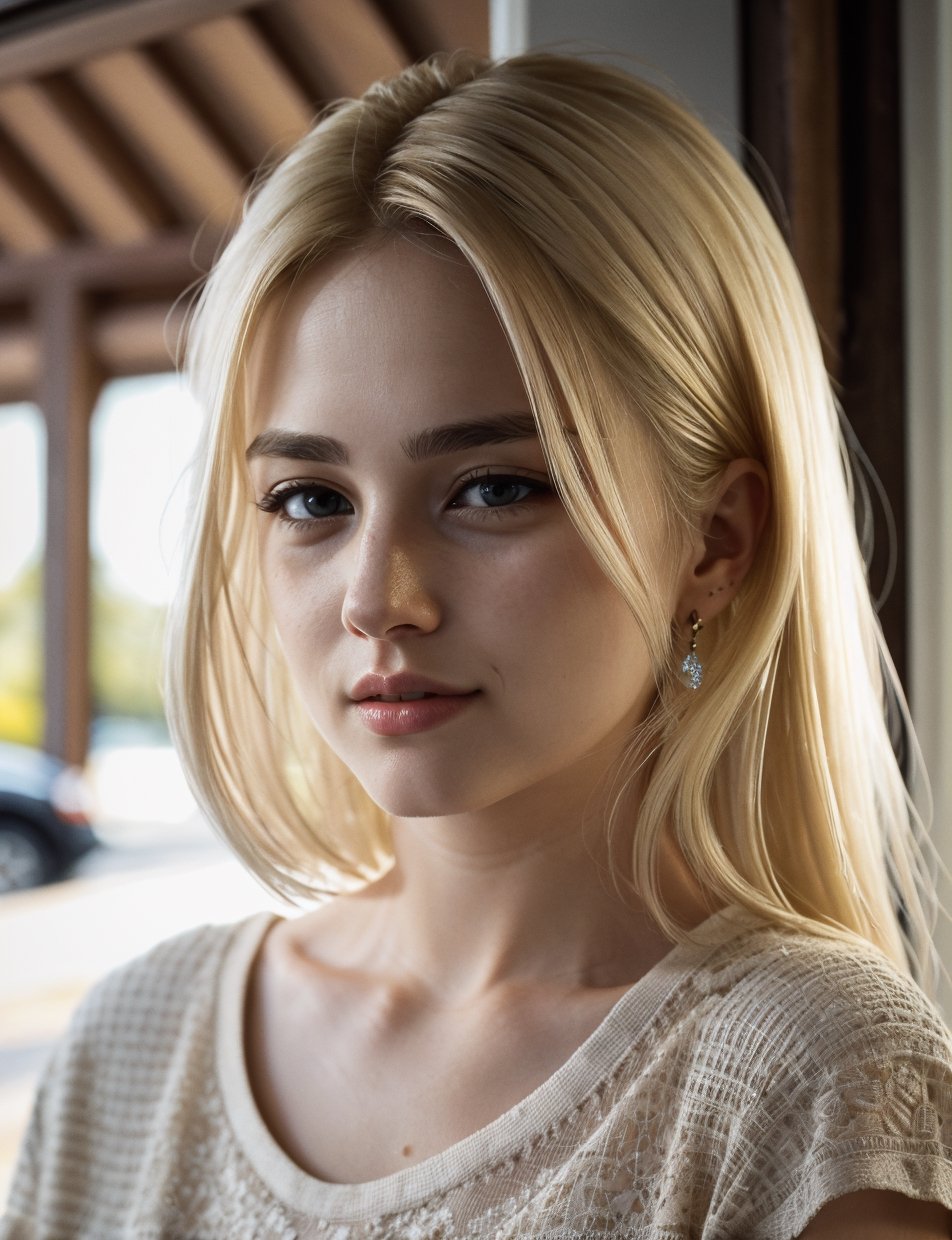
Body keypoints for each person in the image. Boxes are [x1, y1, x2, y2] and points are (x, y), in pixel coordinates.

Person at [3, 49, 952, 1240]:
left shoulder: (810, 1086)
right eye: (310, 498)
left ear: (715, 538)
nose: (378, 598)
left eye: (493, 488)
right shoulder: (133, 1046)